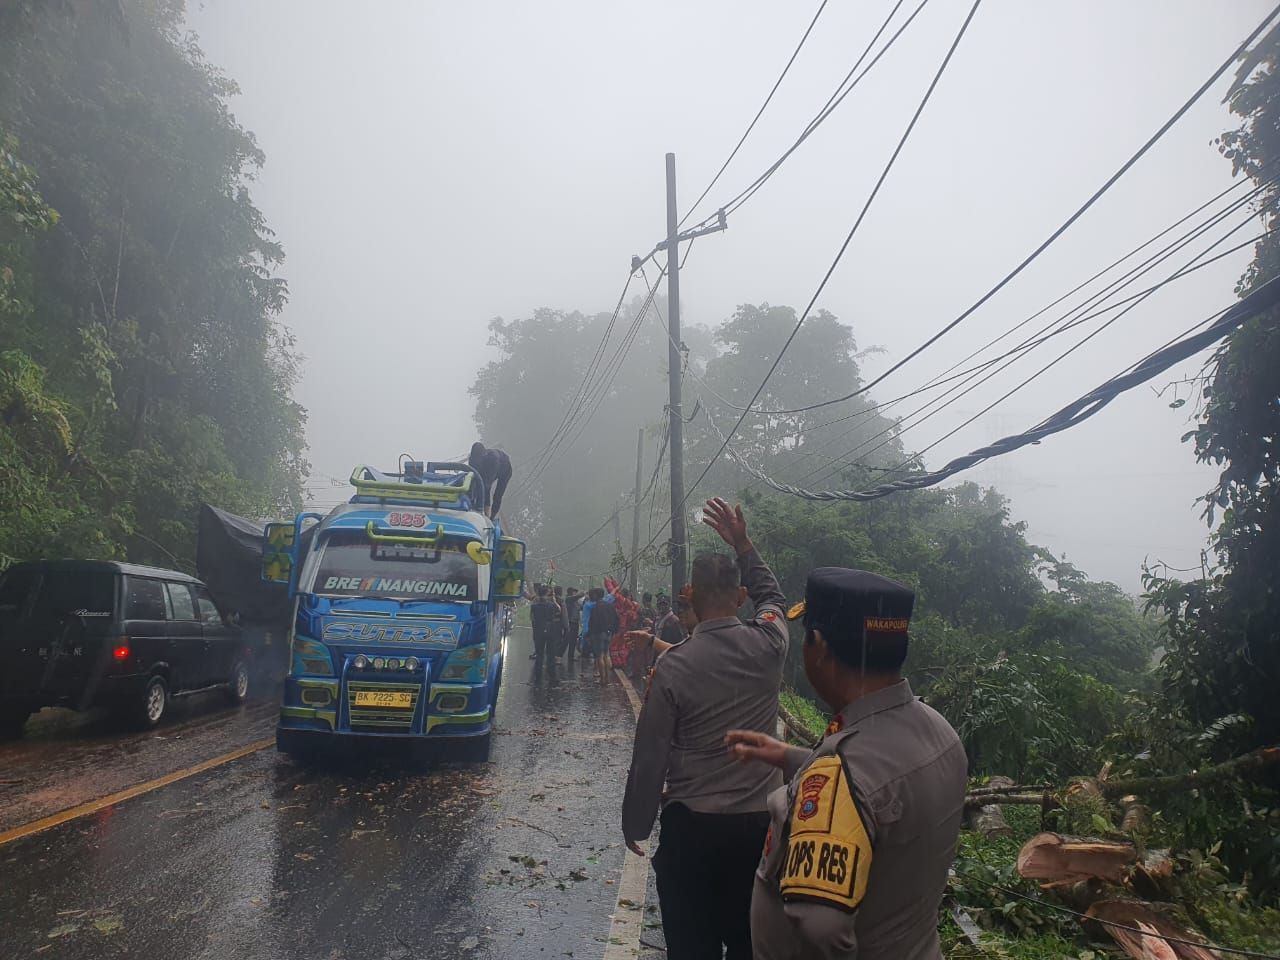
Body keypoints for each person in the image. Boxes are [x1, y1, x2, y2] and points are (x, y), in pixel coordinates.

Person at [726, 568, 967, 960]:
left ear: (818, 646)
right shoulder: (939, 733)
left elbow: (821, 930)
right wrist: (789, 758)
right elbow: (881, 795)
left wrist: (817, 773)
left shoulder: (843, 771)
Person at [621, 497, 788, 960]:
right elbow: (774, 599)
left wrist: (636, 822)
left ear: (690, 595)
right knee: (748, 943)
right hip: (758, 833)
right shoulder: (770, 644)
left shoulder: (673, 666)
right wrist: (743, 545)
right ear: (740, 597)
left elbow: (651, 755)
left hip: (691, 832)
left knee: (692, 948)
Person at [467, 442, 513, 520]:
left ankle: (490, 517)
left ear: (484, 456)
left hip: (504, 469)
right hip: (487, 467)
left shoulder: (493, 458)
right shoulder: (472, 460)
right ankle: (476, 509)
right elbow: (472, 478)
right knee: (476, 485)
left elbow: (486, 485)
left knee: (497, 495)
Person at [586, 586, 618, 686]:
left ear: (596, 595)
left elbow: (592, 622)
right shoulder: (610, 606)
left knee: (599, 656)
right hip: (608, 633)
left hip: (598, 633)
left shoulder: (596, 607)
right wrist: (613, 631)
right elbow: (616, 619)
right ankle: (608, 678)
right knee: (607, 654)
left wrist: (589, 634)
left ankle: (603, 679)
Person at [528, 584, 562, 671]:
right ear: (547, 593)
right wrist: (554, 600)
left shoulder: (534, 606)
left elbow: (532, 618)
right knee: (550, 652)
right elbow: (559, 610)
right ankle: (551, 672)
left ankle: (538, 670)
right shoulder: (551, 605)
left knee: (539, 652)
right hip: (550, 629)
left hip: (538, 630)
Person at [564, 587, 584, 662]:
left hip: (575, 623)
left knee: (573, 641)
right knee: (566, 640)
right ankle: (558, 655)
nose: (576, 593)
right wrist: (580, 594)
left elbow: (582, 607)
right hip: (570, 622)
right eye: (574, 592)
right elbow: (576, 597)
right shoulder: (568, 599)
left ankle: (571, 656)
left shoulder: (576, 602)